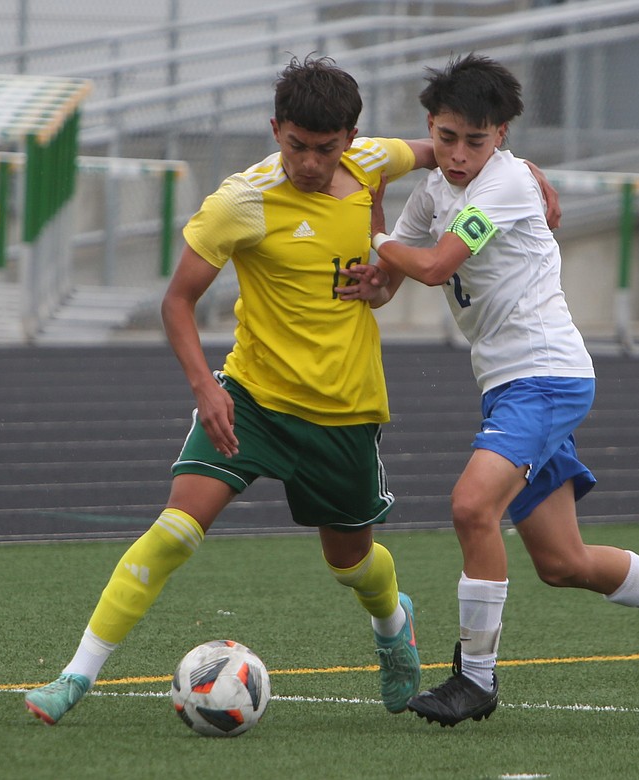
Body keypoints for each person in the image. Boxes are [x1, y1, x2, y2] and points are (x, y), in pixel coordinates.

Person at [22, 55, 437, 724]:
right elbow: (177, 302)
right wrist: (206, 389)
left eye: (324, 149)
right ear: (276, 129)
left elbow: (443, 151)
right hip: (251, 399)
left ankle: (394, 628)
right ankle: (74, 678)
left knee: (351, 564)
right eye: (295, 145)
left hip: (345, 410)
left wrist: (516, 179)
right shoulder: (242, 199)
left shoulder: (371, 163)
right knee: (174, 532)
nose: (307, 161)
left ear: (350, 139)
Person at [343, 53, 639, 728]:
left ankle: (476, 679)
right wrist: (373, 232)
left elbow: (435, 266)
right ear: (430, 127)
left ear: (502, 135)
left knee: (471, 508)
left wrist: (381, 237)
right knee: (563, 562)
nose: (460, 153)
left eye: (476, 138)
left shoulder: (507, 185)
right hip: (507, 386)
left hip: (547, 376)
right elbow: (387, 282)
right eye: (446, 137)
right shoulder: (434, 192)